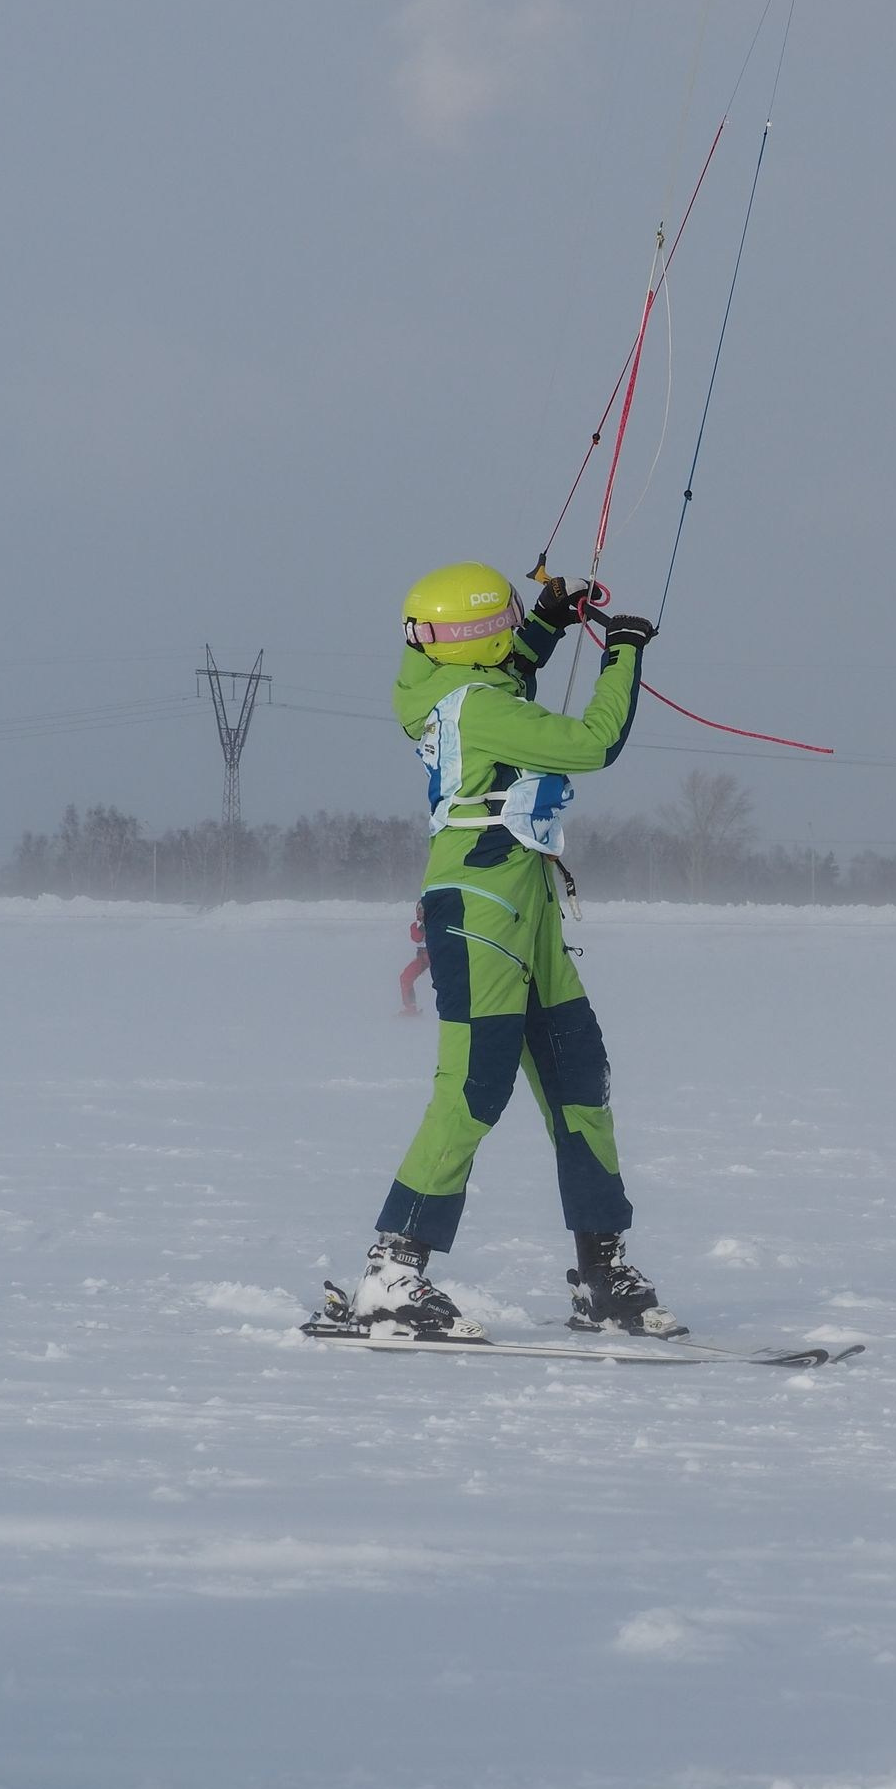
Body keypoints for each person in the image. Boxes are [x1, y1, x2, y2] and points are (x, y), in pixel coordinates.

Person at [325, 561, 682, 1339]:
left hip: (529, 909)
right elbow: (592, 743)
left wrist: (550, 623)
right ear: (481, 632)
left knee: (579, 1079)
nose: (517, 623)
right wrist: (623, 651)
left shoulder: (445, 685)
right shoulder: (478, 708)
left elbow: (507, 669)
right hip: (479, 907)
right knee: (475, 1085)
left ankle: (601, 1270)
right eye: (511, 614)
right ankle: (393, 1267)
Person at [397, 911, 429, 1015]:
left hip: (439, 956)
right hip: (423, 958)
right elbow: (416, 937)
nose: (421, 914)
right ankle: (410, 1008)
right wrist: (421, 926)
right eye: (419, 911)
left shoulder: (439, 923)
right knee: (405, 977)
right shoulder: (415, 926)